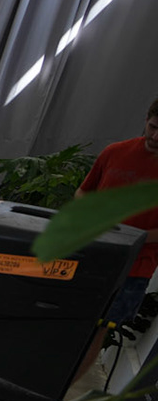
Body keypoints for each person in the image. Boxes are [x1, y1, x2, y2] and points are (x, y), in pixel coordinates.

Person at [75, 97, 158, 337]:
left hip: (135, 267)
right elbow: (83, 192)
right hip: (91, 253)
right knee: (64, 318)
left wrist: (131, 237)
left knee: (100, 332)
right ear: (146, 120)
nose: (156, 137)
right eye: (153, 127)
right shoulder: (115, 152)